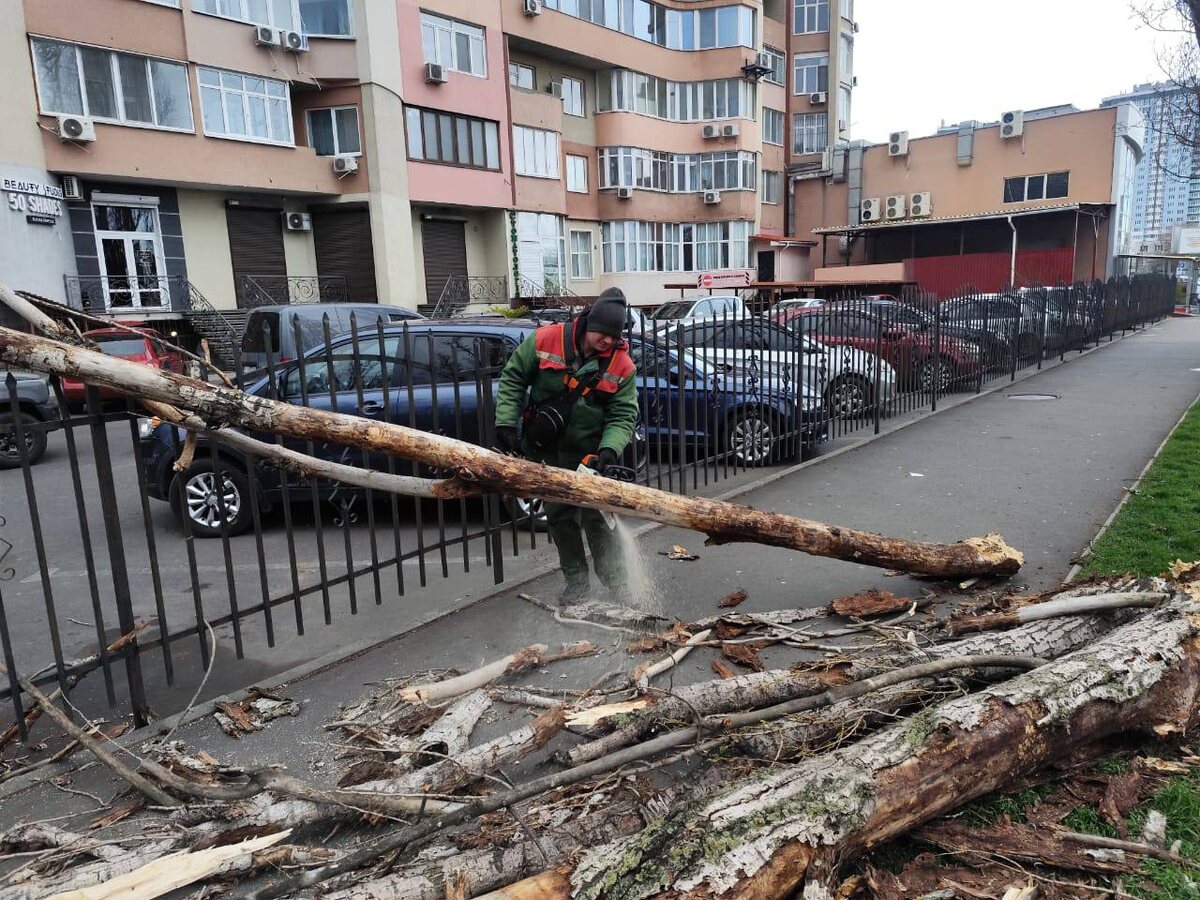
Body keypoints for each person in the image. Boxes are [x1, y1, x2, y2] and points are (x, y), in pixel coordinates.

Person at [494, 288, 639, 604]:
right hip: (545, 450)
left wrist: (609, 450)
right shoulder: (547, 340)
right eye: (603, 333)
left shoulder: (622, 364)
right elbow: (513, 377)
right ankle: (577, 583)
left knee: (599, 521)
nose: (607, 341)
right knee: (560, 519)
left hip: (588, 455)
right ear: (589, 323)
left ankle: (617, 586)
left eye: (614, 336)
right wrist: (506, 424)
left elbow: (623, 414)